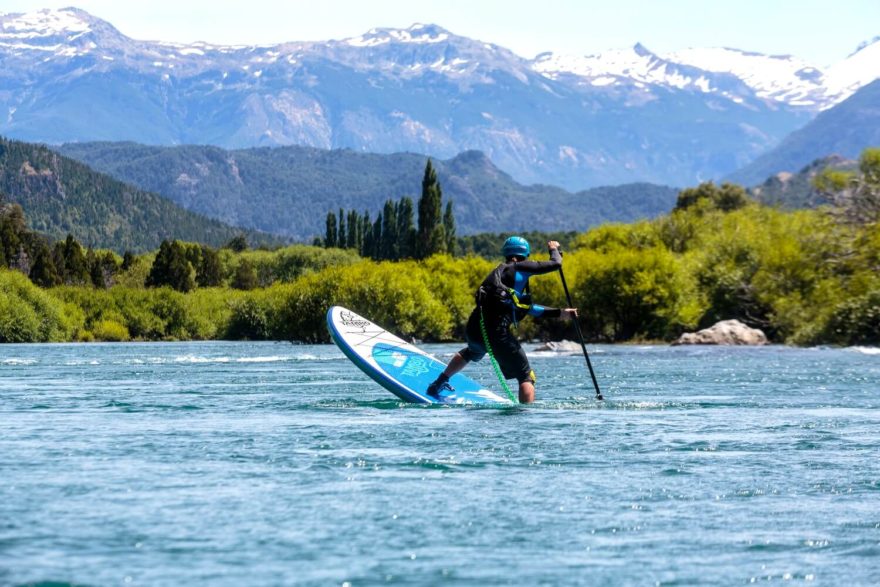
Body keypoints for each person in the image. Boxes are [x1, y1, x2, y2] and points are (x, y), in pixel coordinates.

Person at [426, 236, 577, 403]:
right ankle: (526, 416)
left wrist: (560, 313)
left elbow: (525, 308)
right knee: (526, 375)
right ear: (525, 254)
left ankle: (438, 383)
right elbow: (556, 264)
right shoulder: (521, 267)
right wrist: (553, 249)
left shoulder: (497, 273)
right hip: (497, 334)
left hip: (475, 329)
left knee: (471, 352)